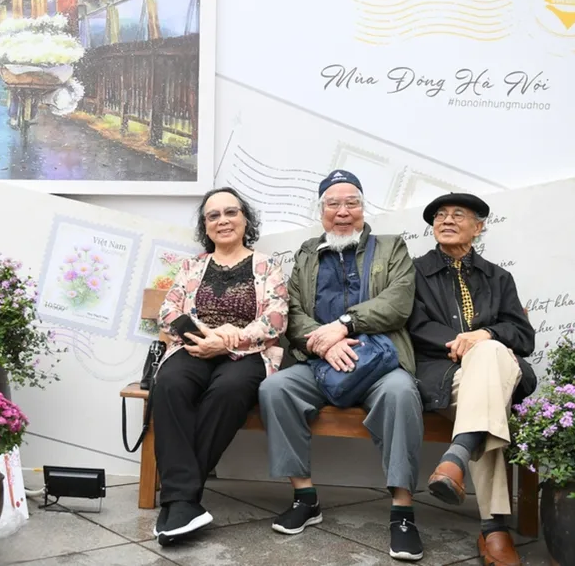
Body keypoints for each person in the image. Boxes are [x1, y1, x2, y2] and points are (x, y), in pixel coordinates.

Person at [258, 170, 425, 562]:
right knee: (275, 389)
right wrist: (325, 345)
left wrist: (344, 326)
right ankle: (305, 498)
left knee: (402, 394)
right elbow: (293, 312)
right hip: (322, 360)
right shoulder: (306, 253)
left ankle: (402, 513)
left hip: (380, 361)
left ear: (364, 208)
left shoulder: (391, 247)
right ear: (321, 212)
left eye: (352, 203)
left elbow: (398, 302)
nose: (343, 212)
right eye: (333, 204)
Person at [153, 187, 289, 546]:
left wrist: (231, 339)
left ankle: (178, 500)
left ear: (245, 219)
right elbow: (168, 312)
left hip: (247, 353)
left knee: (228, 390)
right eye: (213, 215)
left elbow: (276, 319)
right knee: (169, 384)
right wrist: (206, 335)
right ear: (205, 225)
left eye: (231, 212)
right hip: (196, 346)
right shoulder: (192, 266)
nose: (223, 220)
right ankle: (183, 502)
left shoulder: (267, 266)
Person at [406, 193, 536, 566]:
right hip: (444, 375)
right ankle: (494, 528)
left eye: (458, 215)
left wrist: (485, 335)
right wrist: (463, 342)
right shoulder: (413, 272)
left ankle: (456, 458)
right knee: (488, 403)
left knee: (490, 353)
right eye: (440, 215)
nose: (447, 220)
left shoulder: (499, 277)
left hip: (497, 371)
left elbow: (523, 336)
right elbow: (411, 325)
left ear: (478, 228)